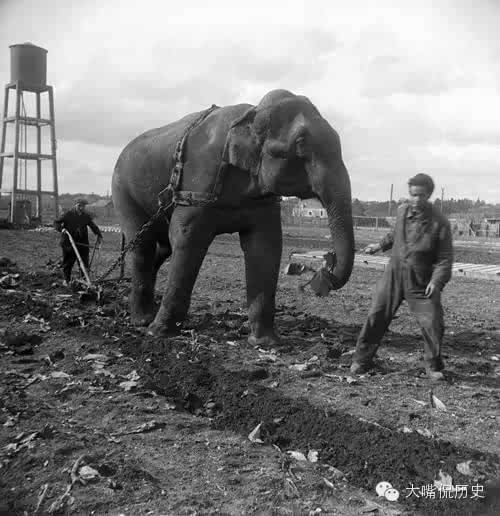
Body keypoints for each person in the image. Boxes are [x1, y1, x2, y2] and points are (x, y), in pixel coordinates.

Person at [350, 173, 453, 381]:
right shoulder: (402, 211)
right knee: (376, 315)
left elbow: (445, 259)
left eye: (421, 195)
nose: (416, 200)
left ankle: (433, 366)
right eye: (413, 195)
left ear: (429, 195)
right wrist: (379, 246)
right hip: (394, 276)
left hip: (421, 281)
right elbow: (394, 234)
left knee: (432, 321)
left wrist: (436, 281)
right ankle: (361, 359)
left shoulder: (440, 223)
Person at [54, 199, 103, 285]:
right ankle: (67, 280)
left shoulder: (85, 216)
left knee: (84, 263)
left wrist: (98, 235)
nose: (81, 208)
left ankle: (85, 281)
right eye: (79, 205)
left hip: (82, 243)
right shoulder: (68, 214)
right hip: (69, 242)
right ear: (75, 205)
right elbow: (56, 222)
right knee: (68, 262)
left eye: (83, 206)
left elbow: (93, 226)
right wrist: (61, 229)